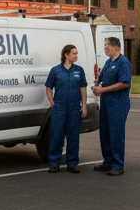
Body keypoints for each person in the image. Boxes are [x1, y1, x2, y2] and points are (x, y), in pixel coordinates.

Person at [91, 35, 132, 176]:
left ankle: (118, 164)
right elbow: (101, 80)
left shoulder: (123, 63)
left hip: (118, 104)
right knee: (105, 132)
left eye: (107, 45)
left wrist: (103, 90)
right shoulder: (108, 63)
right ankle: (108, 161)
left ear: (117, 47)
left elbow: (124, 83)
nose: (105, 48)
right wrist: (97, 87)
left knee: (116, 133)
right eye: (105, 46)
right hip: (106, 103)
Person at [44, 43, 87, 173]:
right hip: (60, 107)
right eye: (74, 53)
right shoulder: (56, 70)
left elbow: (83, 88)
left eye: (77, 53)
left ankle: (72, 163)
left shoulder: (79, 70)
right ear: (66, 54)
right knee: (56, 135)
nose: (76, 56)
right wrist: (52, 103)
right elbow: (48, 87)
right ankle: (54, 163)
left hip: (74, 107)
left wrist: (84, 105)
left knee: (73, 136)